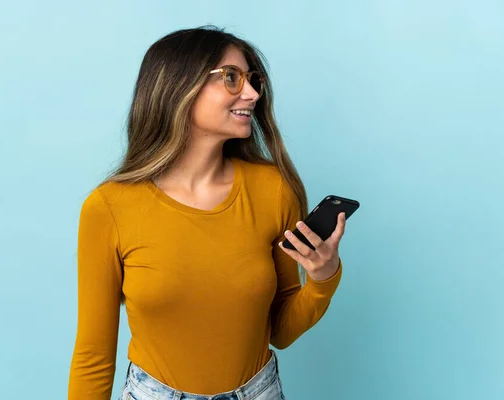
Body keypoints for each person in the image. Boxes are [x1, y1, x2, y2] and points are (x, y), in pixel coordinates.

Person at [67, 25, 346, 400]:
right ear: (177, 88)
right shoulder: (109, 207)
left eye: (252, 79)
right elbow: (93, 355)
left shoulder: (273, 189)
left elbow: (279, 330)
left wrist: (323, 278)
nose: (251, 93)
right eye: (231, 78)